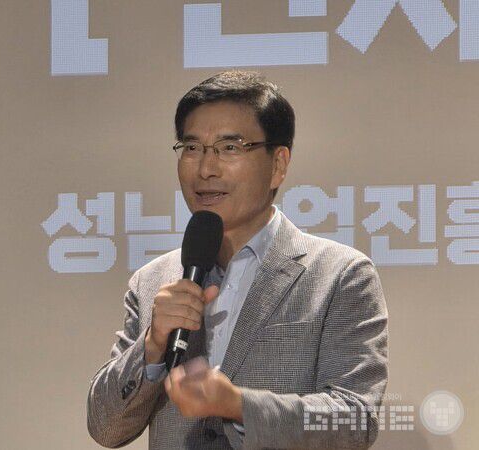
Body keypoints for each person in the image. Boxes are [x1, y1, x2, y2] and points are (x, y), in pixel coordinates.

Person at [87, 71, 388, 449]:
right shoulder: (153, 281)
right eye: (192, 147)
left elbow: (354, 420)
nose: (205, 169)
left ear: (278, 164)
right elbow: (105, 428)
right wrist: (152, 345)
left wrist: (238, 406)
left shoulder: (340, 275)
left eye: (229, 147)